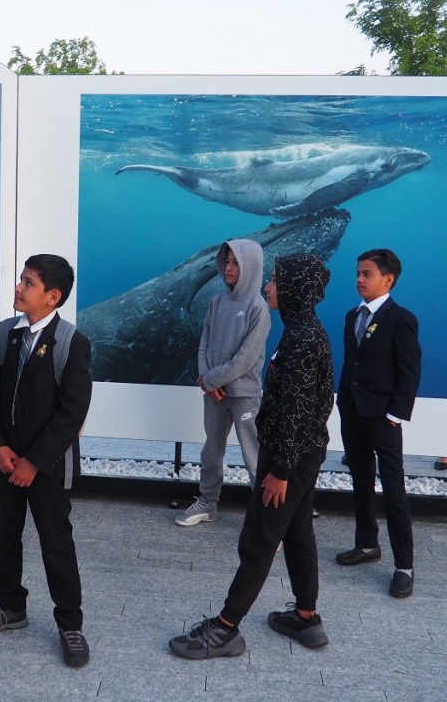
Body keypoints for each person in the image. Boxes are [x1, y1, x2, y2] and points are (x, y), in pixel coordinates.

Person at [169, 254, 334, 659]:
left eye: (276, 280)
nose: (268, 286)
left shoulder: (300, 341)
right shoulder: (307, 332)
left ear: (294, 288)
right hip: (302, 455)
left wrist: (279, 471)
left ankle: (225, 629)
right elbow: (318, 407)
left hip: (287, 460)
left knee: (258, 541)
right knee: (297, 535)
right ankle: (307, 617)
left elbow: (297, 412)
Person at [0, 254, 93, 668]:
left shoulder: (71, 343)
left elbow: (71, 414)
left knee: (56, 542)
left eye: (28, 282)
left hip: (47, 467)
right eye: (20, 279)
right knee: (3, 535)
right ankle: (11, 607)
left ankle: (70, 624)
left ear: (52, 296)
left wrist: (33, 463)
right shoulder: (6, 334)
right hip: (6, 463)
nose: (18, 287)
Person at [335, 248, 421, 598]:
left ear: (388, 279)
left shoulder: (401, 319)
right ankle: (367, 544)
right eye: (357, 273)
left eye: (367, 274)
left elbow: (410, 372)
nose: (359, 279)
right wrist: (342, 402)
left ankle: (404, 566)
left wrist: (394, 416)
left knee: (394, 491)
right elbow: (351, 366)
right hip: (353, 413)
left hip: (382, 419)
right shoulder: (350, 316)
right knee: (360, 482)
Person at [176, 239, 270, 526]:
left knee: (253, 451)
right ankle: (207, 501)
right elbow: (204, 341)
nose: (228, 268)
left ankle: (266, 517)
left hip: (244, 392)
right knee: (211, 448)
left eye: (235, 263)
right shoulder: (216, 302)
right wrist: (207, 379)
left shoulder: (259, 309)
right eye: (226, 262)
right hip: (213, 391)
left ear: (251, 267)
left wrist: (211, 379)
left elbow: (245, 359)